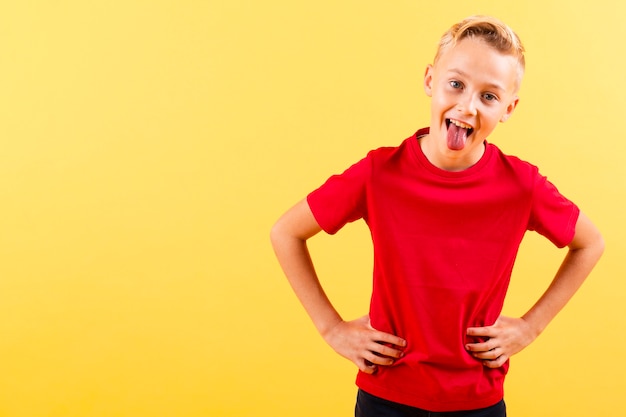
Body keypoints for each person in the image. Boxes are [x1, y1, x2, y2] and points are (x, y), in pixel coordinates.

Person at [270, 15, 604, 417]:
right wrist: (331, 328)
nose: (467, 106)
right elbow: (285, 232)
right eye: (456, 84)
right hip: (386, 395)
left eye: (489, 96)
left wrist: (531, 326)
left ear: (509, 108)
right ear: (430, 80)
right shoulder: (380, 173)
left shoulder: (522, 186)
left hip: (477, 402)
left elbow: (590, 243)